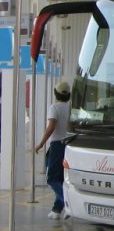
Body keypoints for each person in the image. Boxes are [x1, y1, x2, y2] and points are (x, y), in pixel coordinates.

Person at [34, 81, 72, 220]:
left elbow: (51, 127)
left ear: (55, 93)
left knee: (50, 178)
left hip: (57, 145)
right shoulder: (71, 108)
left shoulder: (54, 108)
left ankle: (68, 204)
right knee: (61, 179)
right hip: (68, 145)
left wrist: (40, 144)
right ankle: (57, 210)